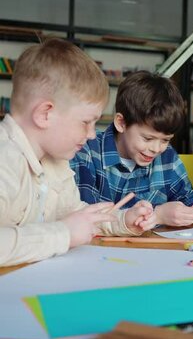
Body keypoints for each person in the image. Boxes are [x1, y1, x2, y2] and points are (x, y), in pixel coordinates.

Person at [0, 39, 155, 267]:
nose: (93, 135)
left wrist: (124, 220)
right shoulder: (5, 159)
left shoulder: (55, 161)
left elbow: (78, 216)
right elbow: (68, 228)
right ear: (45, 114)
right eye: (86, 122)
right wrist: (64, 234)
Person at [71, 71, 193, 226]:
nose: (156, 149)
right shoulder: (86, 150)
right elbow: (84, 217)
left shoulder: (167, 156)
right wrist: (157, 215)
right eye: (148, 138)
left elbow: (185, 197)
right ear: (121, 123)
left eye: (165, 140)